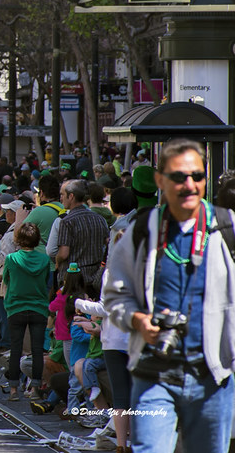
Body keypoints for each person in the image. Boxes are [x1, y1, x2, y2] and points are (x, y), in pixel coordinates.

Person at [104, 139, 235, 453]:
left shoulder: (226, 228)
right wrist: (136, 319)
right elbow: (114, 295)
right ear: (160, 180)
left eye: (197, 176)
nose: (189, 185)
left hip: (212, 378)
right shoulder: (140, 232)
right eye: (178, 177)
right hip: (154, 375)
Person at [2, 222, 51, 401]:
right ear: (37, 239)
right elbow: (46, 281)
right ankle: (36, 389)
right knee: (37, 350)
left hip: (16, 307)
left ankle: (14, 389)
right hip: (38, 306)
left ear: (19, 239)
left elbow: (6, 279)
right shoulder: (45, 260)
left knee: (15, 349)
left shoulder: (12, 259)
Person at [56, 180, 109, 288]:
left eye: (62, 195)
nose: (61, 198)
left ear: (71, 196)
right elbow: (108, 243)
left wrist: (57, 261)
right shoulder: (99, 219)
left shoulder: (67, 222)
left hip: (73, 280)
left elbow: (64, 253)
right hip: (96, 277)